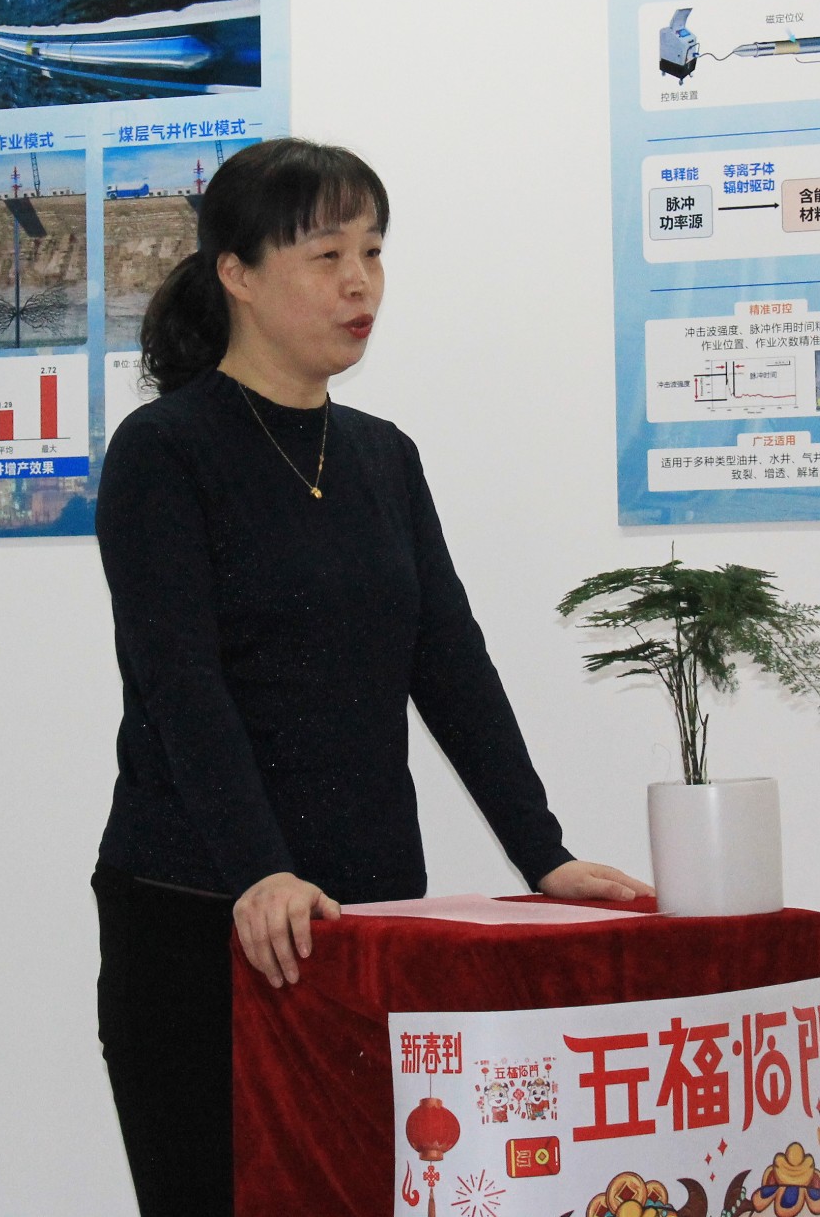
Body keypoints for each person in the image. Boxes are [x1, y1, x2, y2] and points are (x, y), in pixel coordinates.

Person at [91, 137, 649, 1216]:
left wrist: (542, 852)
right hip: (205, 911)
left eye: (374, 252)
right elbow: (180, 682)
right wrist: (260, 869)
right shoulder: (165, 450)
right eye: (326, 255)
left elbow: (450, 660)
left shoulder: (384, 455)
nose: (361, 283)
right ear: (237, 273)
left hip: (369, 915)